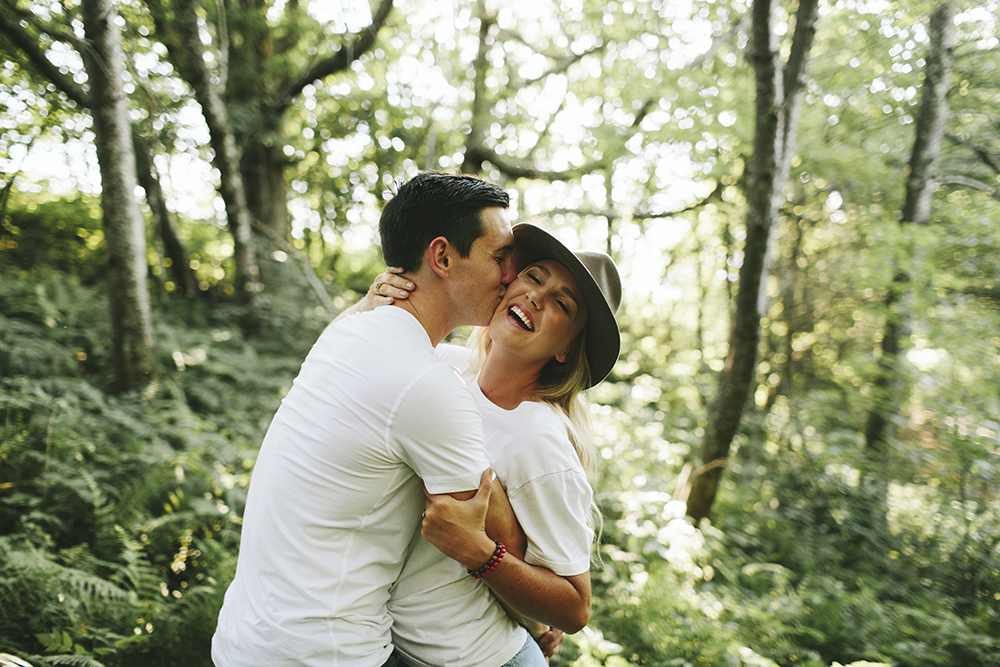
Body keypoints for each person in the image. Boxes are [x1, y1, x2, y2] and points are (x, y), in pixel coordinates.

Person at [211, 171, 519, 667]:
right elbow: (491, 532)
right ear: (442, 257)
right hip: (322, 655)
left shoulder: (348, 334)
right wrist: (539, 619)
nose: (512, 275)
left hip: (247, 638)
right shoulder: (424, 384)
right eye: (500, 257)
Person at [359, 223, 622, 667]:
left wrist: (480, 553)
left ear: (565, 350)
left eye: (561, 303)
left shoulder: (537, 436)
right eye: (535, 277)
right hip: (391, 645)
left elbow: (575, 608)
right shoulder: (443, 365)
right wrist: (372, 306)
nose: (537, 296)